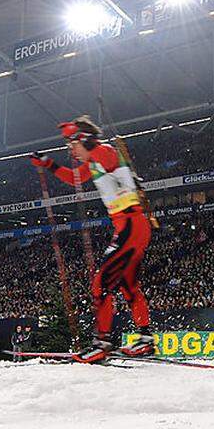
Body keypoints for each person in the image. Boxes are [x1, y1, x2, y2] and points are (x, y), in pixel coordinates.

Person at [31, 116, 154, 363]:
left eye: (72, 145)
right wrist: (49, 164)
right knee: (128, 286)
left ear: (84, 141)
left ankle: (102, 342)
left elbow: (105, 156)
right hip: (132, 227)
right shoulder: (95, 160)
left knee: (100, 285)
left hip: (131, 226)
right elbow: (74, 178)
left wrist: (81, 136)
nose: (71, 151)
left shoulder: (104, 152)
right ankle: (145, 339)